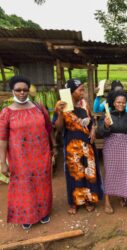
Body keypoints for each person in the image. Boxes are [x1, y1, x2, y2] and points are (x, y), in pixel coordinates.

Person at [0, 76, 57, 230]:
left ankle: (44, 212)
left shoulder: (39, 107)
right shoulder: (7, 113)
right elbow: (3, 139)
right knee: (24, 186)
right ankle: (27, 215)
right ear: (12, 90)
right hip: (20, 159)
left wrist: (54, 146)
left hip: (41, 155)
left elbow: (49, 128)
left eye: (25, 90)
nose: (22, 93)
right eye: (18, 90)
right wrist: (2, 163)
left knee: (42, 183)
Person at [54, 79, 103, 214]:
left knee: (88, 173)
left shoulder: (84, 104)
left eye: (83, 89)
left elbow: (92, 121)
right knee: (74, 174)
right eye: (80, 90)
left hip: (87, 145)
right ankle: (74, 202)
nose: (83, 92)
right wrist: (59, 113)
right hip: (71, 146)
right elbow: (58, 127)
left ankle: (88, 200)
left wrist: (93, 131)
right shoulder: (62, 106)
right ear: (71, 92)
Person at [97, 91, 127, 214]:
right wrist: (106, 126)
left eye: (123, 102)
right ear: (113, 103)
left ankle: (122, 194)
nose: (121, 104)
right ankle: (107, 200)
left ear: (126, 103)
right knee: (110, 172)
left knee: (124, 171)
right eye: (118, 102)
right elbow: (100, 133)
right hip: (111, 147)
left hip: (125, 146)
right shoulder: (107, 115)